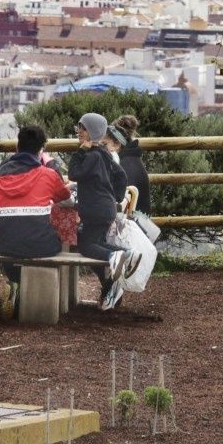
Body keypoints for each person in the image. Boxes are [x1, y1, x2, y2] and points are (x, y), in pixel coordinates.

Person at [0, 123, 72, 319]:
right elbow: (66, 198)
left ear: (17, 147)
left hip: (3, 246)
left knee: (10, 237)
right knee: (57, 241)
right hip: (40, 245)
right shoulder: (48, 174)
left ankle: (16, 282)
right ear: (41, 151)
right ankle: (42, 296)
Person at [68, 112, 139, 310]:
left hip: (95, 210)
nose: (79, 132)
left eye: (82, 128)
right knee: (94, 243)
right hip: (104, 208)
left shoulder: (91, 156)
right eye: (79, 128)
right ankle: (113, 276)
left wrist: (80, 151)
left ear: (92, 131)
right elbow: (121, 175)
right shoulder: (105, 153)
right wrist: (115, 197)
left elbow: (73, 173)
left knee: (86, 246)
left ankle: (120, 255)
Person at [110, 114, 152, 225]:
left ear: (117, 144)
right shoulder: (133, 161)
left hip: (130, 231)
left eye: (105, 143)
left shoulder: (124, 167)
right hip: (140, 226)